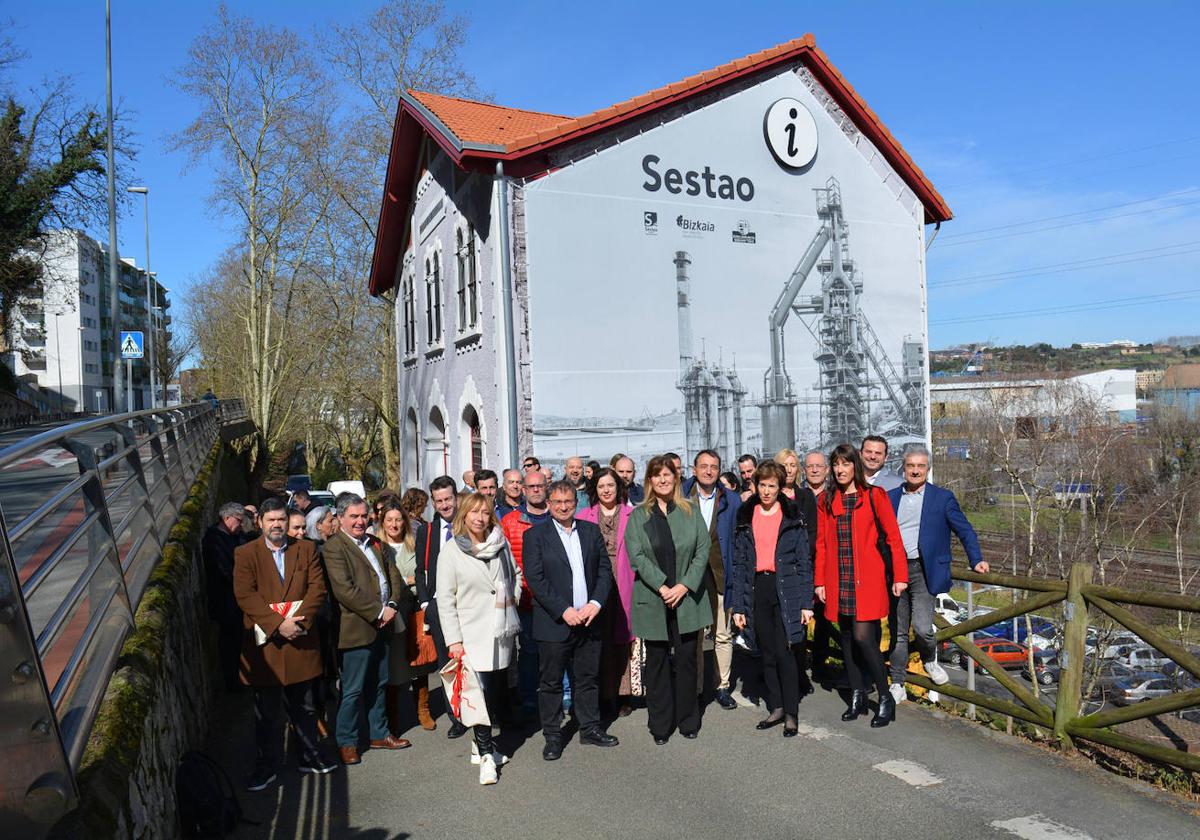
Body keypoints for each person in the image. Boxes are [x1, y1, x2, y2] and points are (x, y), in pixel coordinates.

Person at [233, 497, 334, 791]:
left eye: (281, 520)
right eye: (271, 520)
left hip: (301, 642)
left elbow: (317, 588)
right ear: (260, 523)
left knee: (305, 708)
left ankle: (309, 756)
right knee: (267, 714)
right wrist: (279, 624)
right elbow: (245, 594)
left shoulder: (306, 549)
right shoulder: (245, 553)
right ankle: (266, 766)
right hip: (266, 648)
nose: (277, 525)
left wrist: (299, 624)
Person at [523, 480, 619, 760]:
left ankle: (590, 728)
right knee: (551, 682)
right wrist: (563, 610)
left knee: (588, 678)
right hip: (556, 622)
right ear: (549, 504)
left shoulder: (590, 531)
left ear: (576, 504)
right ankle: (553, 736)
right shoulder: (535, 536)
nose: (564, 507)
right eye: (558, 502)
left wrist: (595, 603)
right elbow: (535, 579)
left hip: (589, 620)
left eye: (569, 502)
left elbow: (604, 570)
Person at [886, 445, 989, 705]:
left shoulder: (942, 498)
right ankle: (897, 682)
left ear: (928, 469)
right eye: (911, 466)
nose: (916, 470)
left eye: (921, 466)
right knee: (898, 631)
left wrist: (976, 559)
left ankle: (930, 661)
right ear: (904, 468)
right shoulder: (889, 498)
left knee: (921, 627)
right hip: (896, 570)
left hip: (924, 570)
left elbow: (964, 529)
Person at [815, 444, 908, 728]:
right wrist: (819, 581)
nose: (840, 470)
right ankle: (856, 694)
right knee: (845, 639)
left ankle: (884, 696)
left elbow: (893, 537)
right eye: (836, 465)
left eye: (845, 464)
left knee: (863, 639)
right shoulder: (827, 500)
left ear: (855, 466)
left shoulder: (873, 496)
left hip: (865, 579)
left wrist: (901, 575)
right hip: (837, 577)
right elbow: (821, 544)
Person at [624, 455, 712, 744]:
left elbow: (702, 550)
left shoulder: (690, 511)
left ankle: (688, 719)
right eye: (657, 475)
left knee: (687, 661)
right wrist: (663, 586)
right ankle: (660, 724)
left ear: (676, 478)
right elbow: (636, 556)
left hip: (687, 600)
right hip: (654, 598)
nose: (663, 480)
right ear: (649, 480)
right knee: (658, 663)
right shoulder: (639, 515)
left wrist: (684, 586)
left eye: (668, 474)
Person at [437, 493, 523, 785]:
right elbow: (445, 601)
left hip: (502, 632)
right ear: (464, 515)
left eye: (485, 513)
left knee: (496, 691)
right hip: (471, 635)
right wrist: (454, 641)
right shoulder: (451, 552)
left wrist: (512, 599)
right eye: (474, 512)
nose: (480, 518)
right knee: (480, 696)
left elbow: (516, 575)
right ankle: (487, 756)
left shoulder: (501, 544)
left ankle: (479, 745)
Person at [322, 494, 412, 764]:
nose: (361, 521)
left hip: (383, 624)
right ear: (340, 519)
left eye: (364, 516)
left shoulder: (375, 543)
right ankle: (347, 741)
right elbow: (344, 590)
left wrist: (393, 604)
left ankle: (379, 733)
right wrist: (378, 611)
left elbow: (393, 575)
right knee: (352, 689)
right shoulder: (334, 548)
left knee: (380, 682)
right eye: (354, 516)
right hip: (356, 629)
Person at [729, 461, 813, 737]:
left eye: (771, 486)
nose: (766, 491)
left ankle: (791, 712)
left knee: (786, 652)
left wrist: (805, 603)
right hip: (757, 588)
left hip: (786, 588)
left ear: (780, 487)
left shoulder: (791, 516)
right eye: (762, 485)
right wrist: (739, 606)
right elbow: (740, 564)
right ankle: (775, 706)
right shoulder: (745, 516)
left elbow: (803, 561)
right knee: (765, 652)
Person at [682, 449, 741, 710]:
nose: (708, 471)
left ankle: (722, 686)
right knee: (693, 636)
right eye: (703, 466)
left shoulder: (732, 500)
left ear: (719, 470)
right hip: (689, 577)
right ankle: (694, 688)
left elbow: (738, 542)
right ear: (694, 469)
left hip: (720, 574)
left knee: (722, 633)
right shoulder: (681, 496)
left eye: (713, 467)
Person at [576, 467, 636, 716]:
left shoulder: (633, 515)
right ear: (595, 490)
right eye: (601, 486)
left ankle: (623, 695)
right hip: (595, 583)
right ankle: (602, 694)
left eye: (610, 485)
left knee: (622, 641)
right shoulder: (584, 516)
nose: (606, 490)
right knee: (598, 641)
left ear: (618, 487)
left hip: (625, 581)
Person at [414, 476, 467, 738]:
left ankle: (478, 710)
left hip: (469, 606)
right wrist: (426, 602)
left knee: (472, 661)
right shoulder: (427, 530)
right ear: (433, 503)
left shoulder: (470, 524)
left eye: (448, 499)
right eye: (439, 501)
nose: (445, 505)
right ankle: (456, 716)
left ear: (456, 498)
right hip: (439, 608)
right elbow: (420, 570)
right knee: (447, 664)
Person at [378, 498, 434, 732]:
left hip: (414, 608)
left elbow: (424, 573)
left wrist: (409, 581)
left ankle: (423, 709)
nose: (394, 524)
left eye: (398, 519)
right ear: (382, 522)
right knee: (395, 664)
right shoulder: (377, 546)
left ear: (405, 521)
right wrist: (406, 582)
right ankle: (393, 716)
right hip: (392, 610)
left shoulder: (415, 543)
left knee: (419, 659)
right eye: (389, 520)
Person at [500, 470, 553, 715]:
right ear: (523, 490)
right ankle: (530, 698)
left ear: (546, 487)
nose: (535, 490)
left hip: (556, 597)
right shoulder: (510, 521)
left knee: (557, 650)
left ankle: (562, 696)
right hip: (527, 599)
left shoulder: (558, 515)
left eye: (539, 486)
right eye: (530, 486)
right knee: (530, 651)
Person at [203, 501, 252, 691]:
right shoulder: (213, 541)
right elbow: (223, 570)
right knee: (230, 642)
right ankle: (232, 681)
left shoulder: (235, 536)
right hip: (225, 601)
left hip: (236, 599)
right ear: (227, 518)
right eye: (238, 521)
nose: (240, 525)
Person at [802, 449, 836, 679]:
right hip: (801, 563)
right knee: (800, 614)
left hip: (825, 563)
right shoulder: (798, 495)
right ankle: (799, 661)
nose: (814, 470)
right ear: (804, 471)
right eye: (810, 466)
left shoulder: (834, 495)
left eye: (819, 466)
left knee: (824, 616)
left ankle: (820, 663)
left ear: (826, 470)